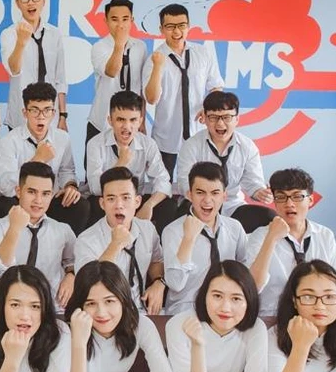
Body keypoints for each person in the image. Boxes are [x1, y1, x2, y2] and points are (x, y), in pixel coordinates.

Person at [64, 261, 179, 372]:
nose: (101, 313)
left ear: (123, 300)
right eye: (91, 303)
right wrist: (79, 344)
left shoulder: (141, 326)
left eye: (109, 301)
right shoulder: (66, 331)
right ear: (80, 306)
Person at [165, 260, 268, 372]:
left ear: (249, 301)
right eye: (217, 296)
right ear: (204, 296)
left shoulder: (255, 329)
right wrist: (198, 346)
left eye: (236, 299)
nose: (225, 308)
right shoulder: (180, 324)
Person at [142, 3, 223, 178]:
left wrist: (209, 108)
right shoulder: (154, 59)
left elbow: (216, 86)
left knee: (200, 183)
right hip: (166, 136)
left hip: (198, 133)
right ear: (161, 29)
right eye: (170, 26)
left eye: (181, 25)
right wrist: (158, 67)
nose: (177, 31)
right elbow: (151, 98)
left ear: (189, 26)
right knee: (162, 184)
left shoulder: (203, 53)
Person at [175, 91, 274, 233]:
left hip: (232, 206)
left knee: (268, 218)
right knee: (179, 220)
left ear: (237, 119)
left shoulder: (247, 147)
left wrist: (260, 192)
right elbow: (184, 182)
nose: (220, 123)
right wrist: (203, 198)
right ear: (205, 118)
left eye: (227, 117)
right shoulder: (192, 145)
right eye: (213, 117)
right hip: (201, 205)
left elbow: (253, 182)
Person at [247, 168, 336, 317]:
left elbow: (335, 285)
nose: (289, 203)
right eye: (281, 197)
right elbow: (252, 288)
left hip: (315, 315)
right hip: (272, 316)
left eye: (297, 196)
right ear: (274, 202)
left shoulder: (324, 235)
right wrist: (271, 238)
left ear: (310, 200)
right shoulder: (260, 236)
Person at [0, 162, 76, 309]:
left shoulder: (62, 230)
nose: (38, 200)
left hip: (52, 309)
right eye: (32, 192)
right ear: (18, 191)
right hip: (10, 309)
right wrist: (14, 228)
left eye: (45, 194)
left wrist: (71, 276)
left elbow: (74, 263)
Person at [73, 167, 166, 315]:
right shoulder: (86, 240)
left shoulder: (147, 229)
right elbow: (88, 287)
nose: (119, 205)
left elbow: (156, 261)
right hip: (104, 314)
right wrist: (115, 245)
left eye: (126, 198)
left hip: (141, 311)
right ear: (102, 204)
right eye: (111, 199)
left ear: (137, 201)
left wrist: (158, 282)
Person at [0, 82, 86, 233]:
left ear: (54, 113)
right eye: (35, 110)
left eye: (47, 110)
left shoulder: (62, 138)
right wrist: (38, 159)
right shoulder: (9, 141)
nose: (41, 117)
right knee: (4, 204)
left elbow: (67, 171)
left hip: (50, 199)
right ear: (25, 113)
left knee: (80, 205)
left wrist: (70, 186)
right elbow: (5, 186)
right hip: (21, 200)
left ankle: (66, 245)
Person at [162, 162, 248, 314]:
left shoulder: (235, 228)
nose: (207, 200)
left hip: (225, 309)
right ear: (189, 195)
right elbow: (175, 283)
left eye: (215, 193)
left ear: (224, 196)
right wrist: (188, 239)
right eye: (200, 193)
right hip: (186, 309)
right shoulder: (173, 231)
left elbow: (246, 275)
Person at [86, 90, 174, 232]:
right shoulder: (95, 144)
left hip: (135, 200)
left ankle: (158, 244)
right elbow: (95, 188)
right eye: (120, 120)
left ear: (140, 121)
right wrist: (121, 163)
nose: (127, 127)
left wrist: (149, 205)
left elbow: (163, 181)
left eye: (133, 120)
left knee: (168, 205)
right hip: (109, 201)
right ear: (110, 120)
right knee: (93, 204)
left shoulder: (148, 144)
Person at [0, 0, 68, 131]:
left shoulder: (54, 34)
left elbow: (60, 78)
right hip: (21, 113)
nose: (31, 3)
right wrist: (21, 42)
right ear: (17, 3)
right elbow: (13, 70)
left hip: (50, 115)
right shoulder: (9, 34)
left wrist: (63, 115)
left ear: (44, 0)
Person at [87, 0, 147, 155]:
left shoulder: (140, 47)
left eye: (125, 19)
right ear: (106, 20)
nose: (120, 25)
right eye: (114, 19)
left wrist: (142, 118)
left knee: (130, 166)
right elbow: (111, 71)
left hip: (131, 122)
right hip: (102, 120)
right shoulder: (99, 47)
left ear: (132, 20)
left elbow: (142, 87)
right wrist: (119, 44)